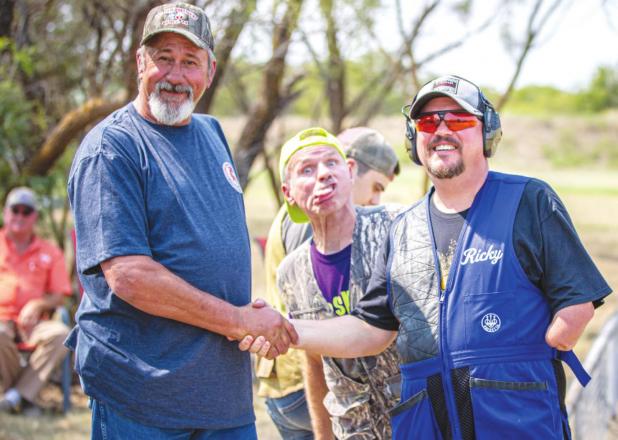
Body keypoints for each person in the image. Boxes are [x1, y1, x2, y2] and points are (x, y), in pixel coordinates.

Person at [242, 75, 612, 439]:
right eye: (427, 121)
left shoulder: (529, 201)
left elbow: (576, 302)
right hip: (426, 423)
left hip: (516, 421)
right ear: (413, 138)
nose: (441, 129)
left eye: (459, 119)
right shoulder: (402, 228)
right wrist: (284, 328)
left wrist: (524, 360)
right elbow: (369, 330)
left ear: (486, 133)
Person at [67, 3, 296, 439]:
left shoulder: (211, 133)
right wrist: (239, 320)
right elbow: (130, 276)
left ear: (210, 72)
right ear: (140, 63)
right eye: (163, 58)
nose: (175, 75)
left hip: (222, 396)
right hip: (143, 394)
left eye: (190, 61)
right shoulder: (112, 148)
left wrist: (251, 314)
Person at [251, 127, 402, 439]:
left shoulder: (395, 227)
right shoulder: (293, 271)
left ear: (349, 171)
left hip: (418, 423)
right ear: (288, 192)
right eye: (307, 169)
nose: (323, 175)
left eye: (332, 163)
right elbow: (314, 362)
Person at [0, 187, 72, 415]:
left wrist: (39, 304)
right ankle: (19, 397)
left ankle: (15, 396)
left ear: (35, 217)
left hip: (35, 324)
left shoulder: (50, 252)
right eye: (15, 210)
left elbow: (60, 294)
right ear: (5, 213)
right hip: (2, 322)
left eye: (26, 211)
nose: (20, 216)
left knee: (62, 334)